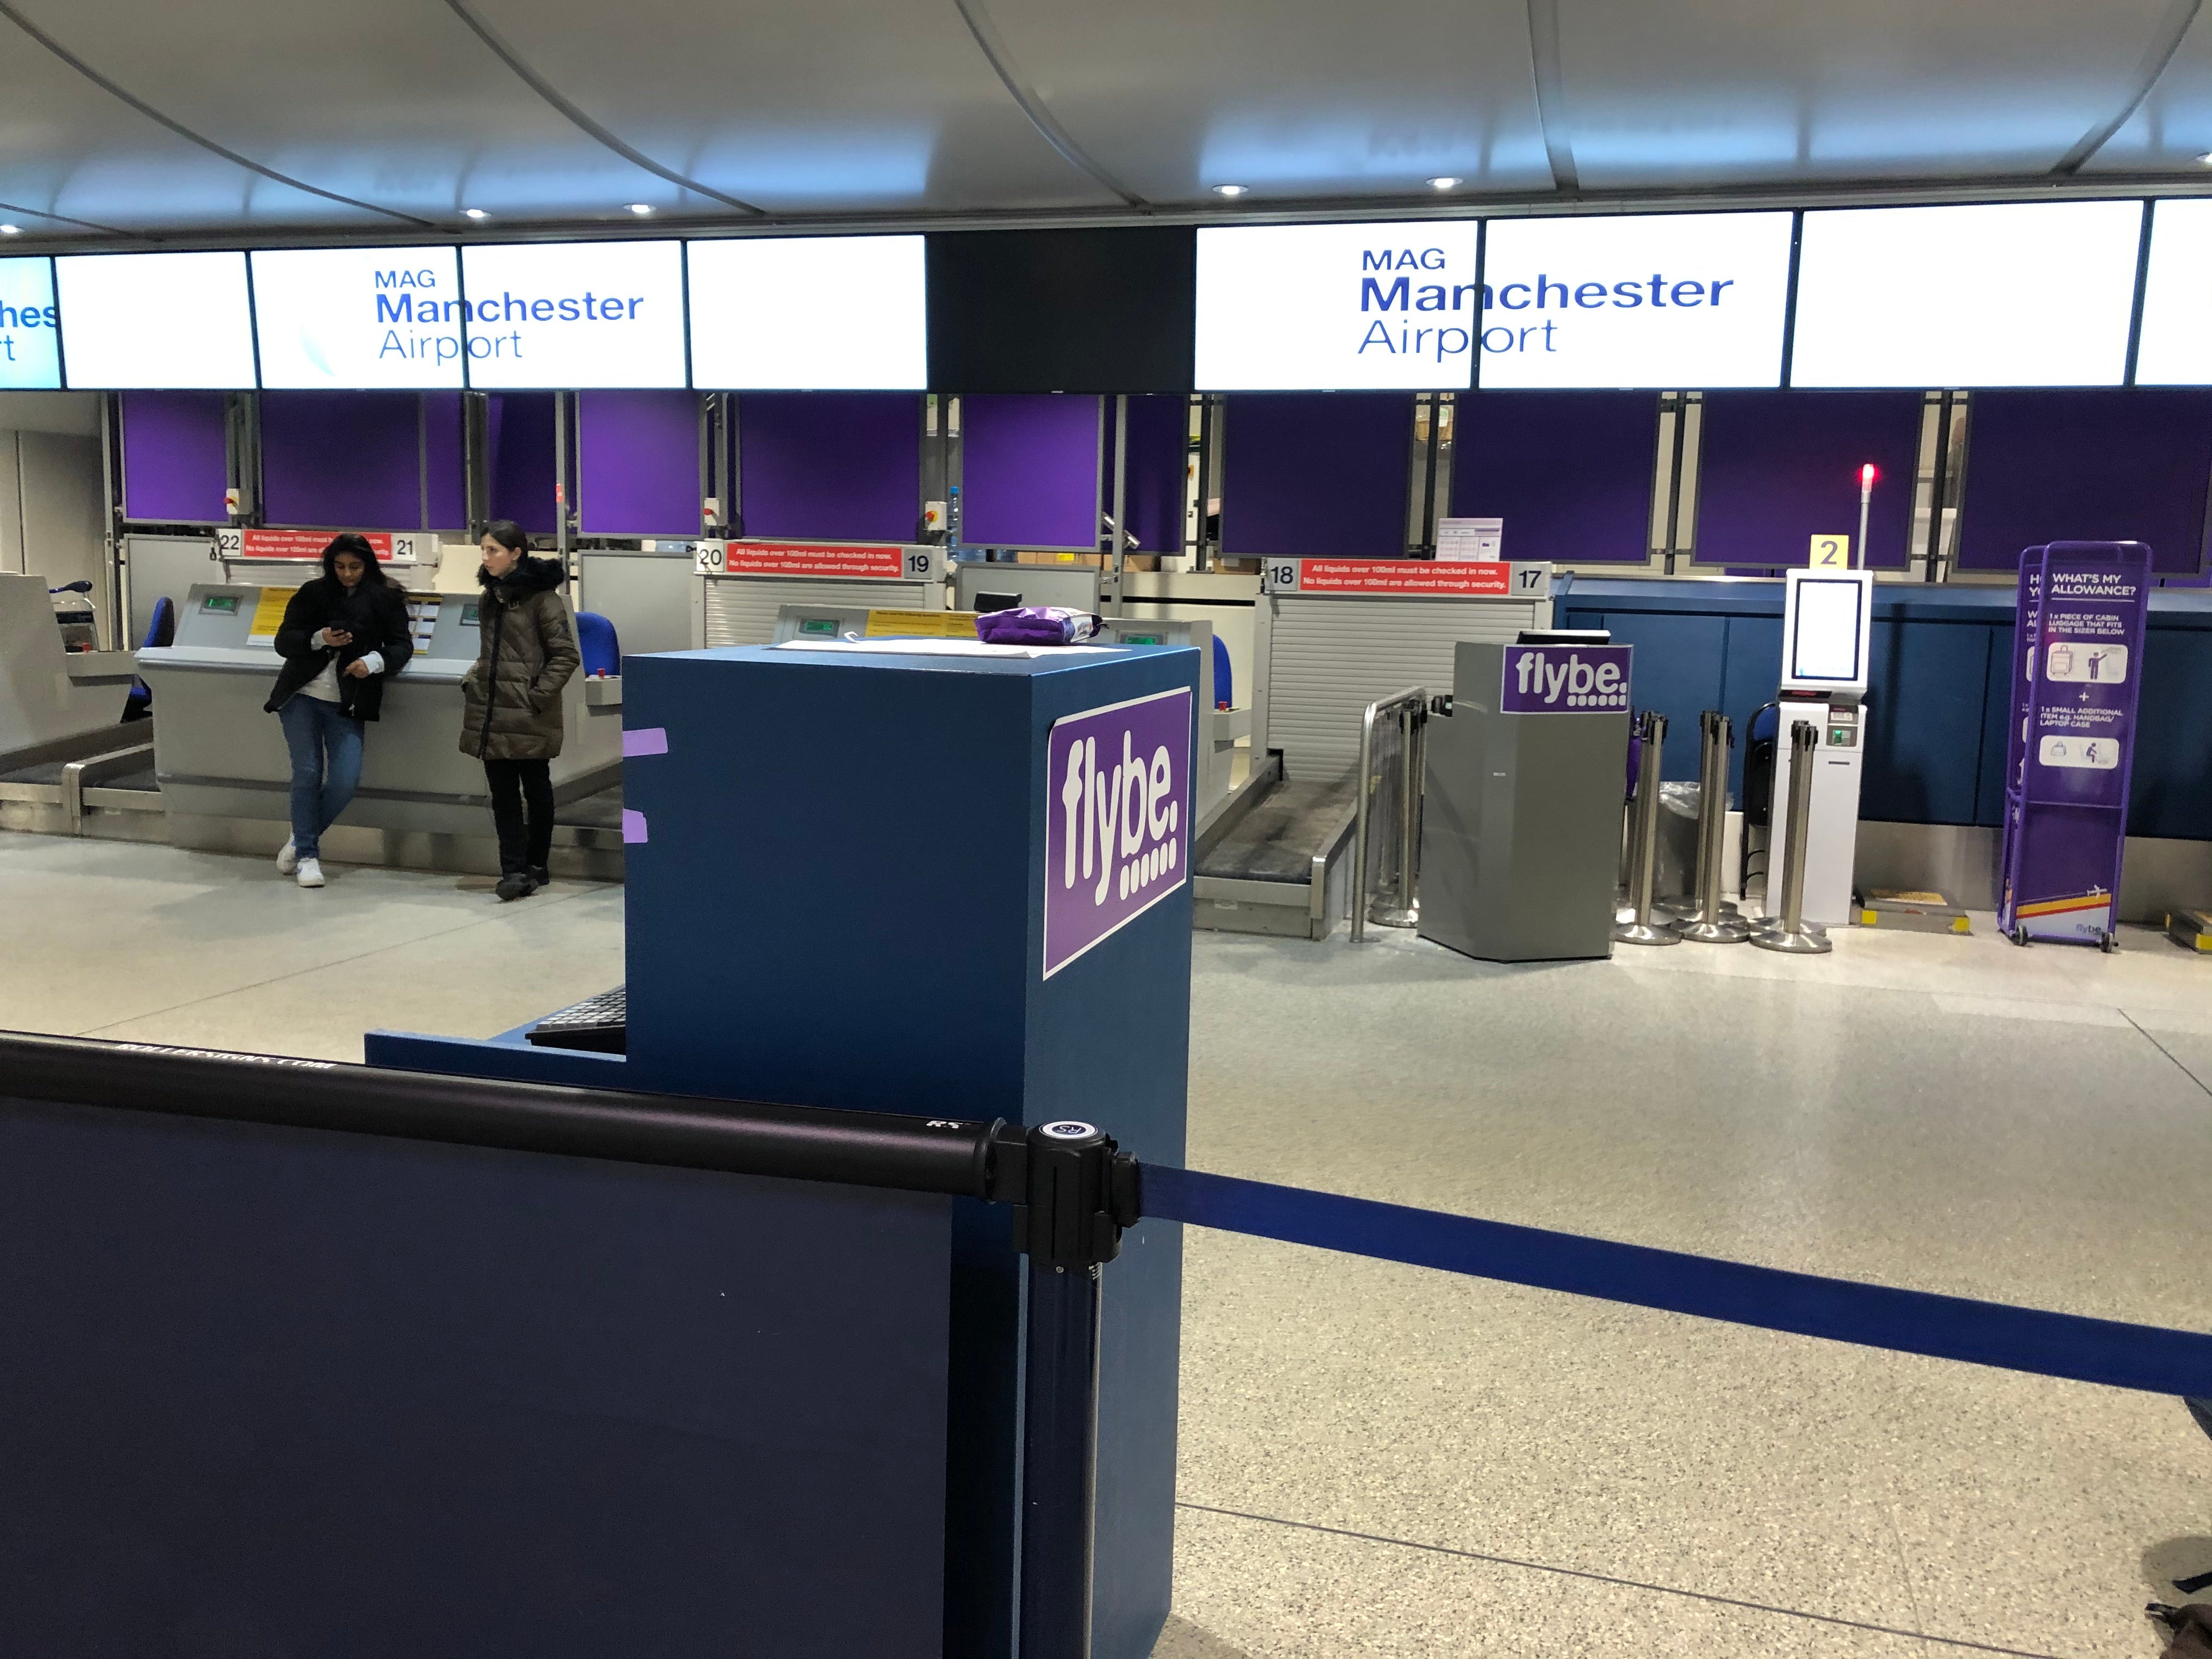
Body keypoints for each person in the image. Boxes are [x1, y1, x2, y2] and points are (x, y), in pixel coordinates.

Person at [263, 534, 414, 889]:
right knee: (307, 772)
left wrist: (373, 662)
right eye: (340, 567)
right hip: (301, 696)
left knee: (345, 780)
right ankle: (309, 857)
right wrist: (319, 639)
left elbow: (401, 646)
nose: (347, 574)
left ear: (368, 566)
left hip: (349, 699)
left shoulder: (386, 598)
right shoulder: (312, 594)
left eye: (355, 567)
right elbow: (284, 641)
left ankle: (301, 837)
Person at [461, 520, 579, 902]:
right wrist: (476, 679)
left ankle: (536, 864)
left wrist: (536, 696)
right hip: (494, 712)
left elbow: (566, 656)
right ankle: (512, 869)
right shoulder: (489, 598)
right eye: (483, 549)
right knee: (503, 795)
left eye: (493, 550)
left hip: (529, 713)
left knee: (537, 788)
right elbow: (491, 655)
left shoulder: (544, 599)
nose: (486, 557)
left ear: (516, 554)